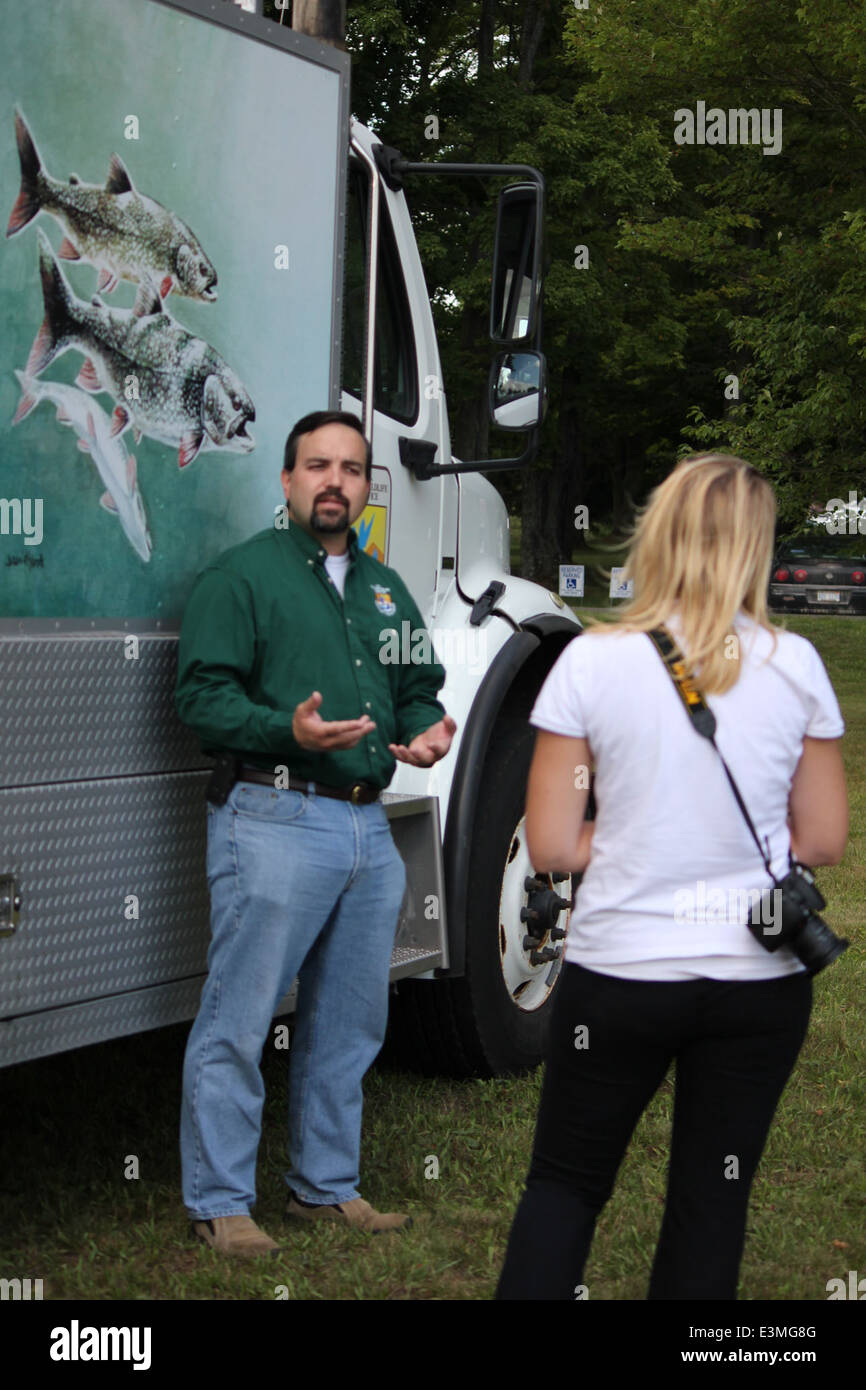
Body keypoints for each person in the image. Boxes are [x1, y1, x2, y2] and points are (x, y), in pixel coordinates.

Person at [496, 453, 848, 1300]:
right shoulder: (794, 664)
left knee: (566, 1186)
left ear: (659, 534)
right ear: (754, 548)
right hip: (756, 984)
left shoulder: (591, 661)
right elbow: (825, 838)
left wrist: (631, 839)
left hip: (620, 977)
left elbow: (549, 842)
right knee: (712, 1200)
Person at [175, 409, 456, 1258]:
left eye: (352, 468)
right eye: (317, 465)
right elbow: (200, 698)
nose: (335, 481)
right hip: (274, 814)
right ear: (288, 479)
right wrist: (283, 732)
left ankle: (325, 1190)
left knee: (351, 1019)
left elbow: (419, 683)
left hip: (369, 826)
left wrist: (429, 726)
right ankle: (221, 1202)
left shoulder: (386, 588)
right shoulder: (241, 579)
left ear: (368, 487)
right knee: (241, 1014)